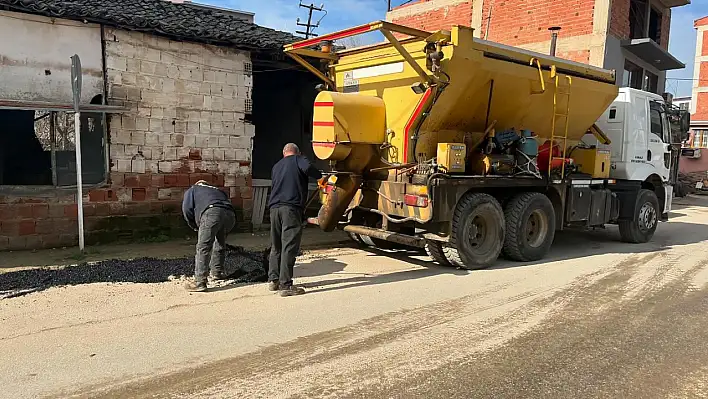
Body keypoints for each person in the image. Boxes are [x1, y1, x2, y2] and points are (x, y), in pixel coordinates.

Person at [268, 143, 322, 297]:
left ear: (284, 153)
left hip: (274, 209)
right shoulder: (298, 160)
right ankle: (285, 285)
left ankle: (273, 280)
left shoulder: (276, 166)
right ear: (297, 152)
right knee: (289, 246)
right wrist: (320, 177)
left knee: (276, 245)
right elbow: (309, 168)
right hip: (290, 209)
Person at [182, 180, 236, 292]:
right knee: (220, 243)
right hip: (230, 214)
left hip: (211, 212)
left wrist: (194, 226)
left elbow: (187, 209)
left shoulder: (193, 189)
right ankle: (217, 272)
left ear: (198, 184)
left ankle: (200, 281)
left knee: (204, 246)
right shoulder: (218, 190)